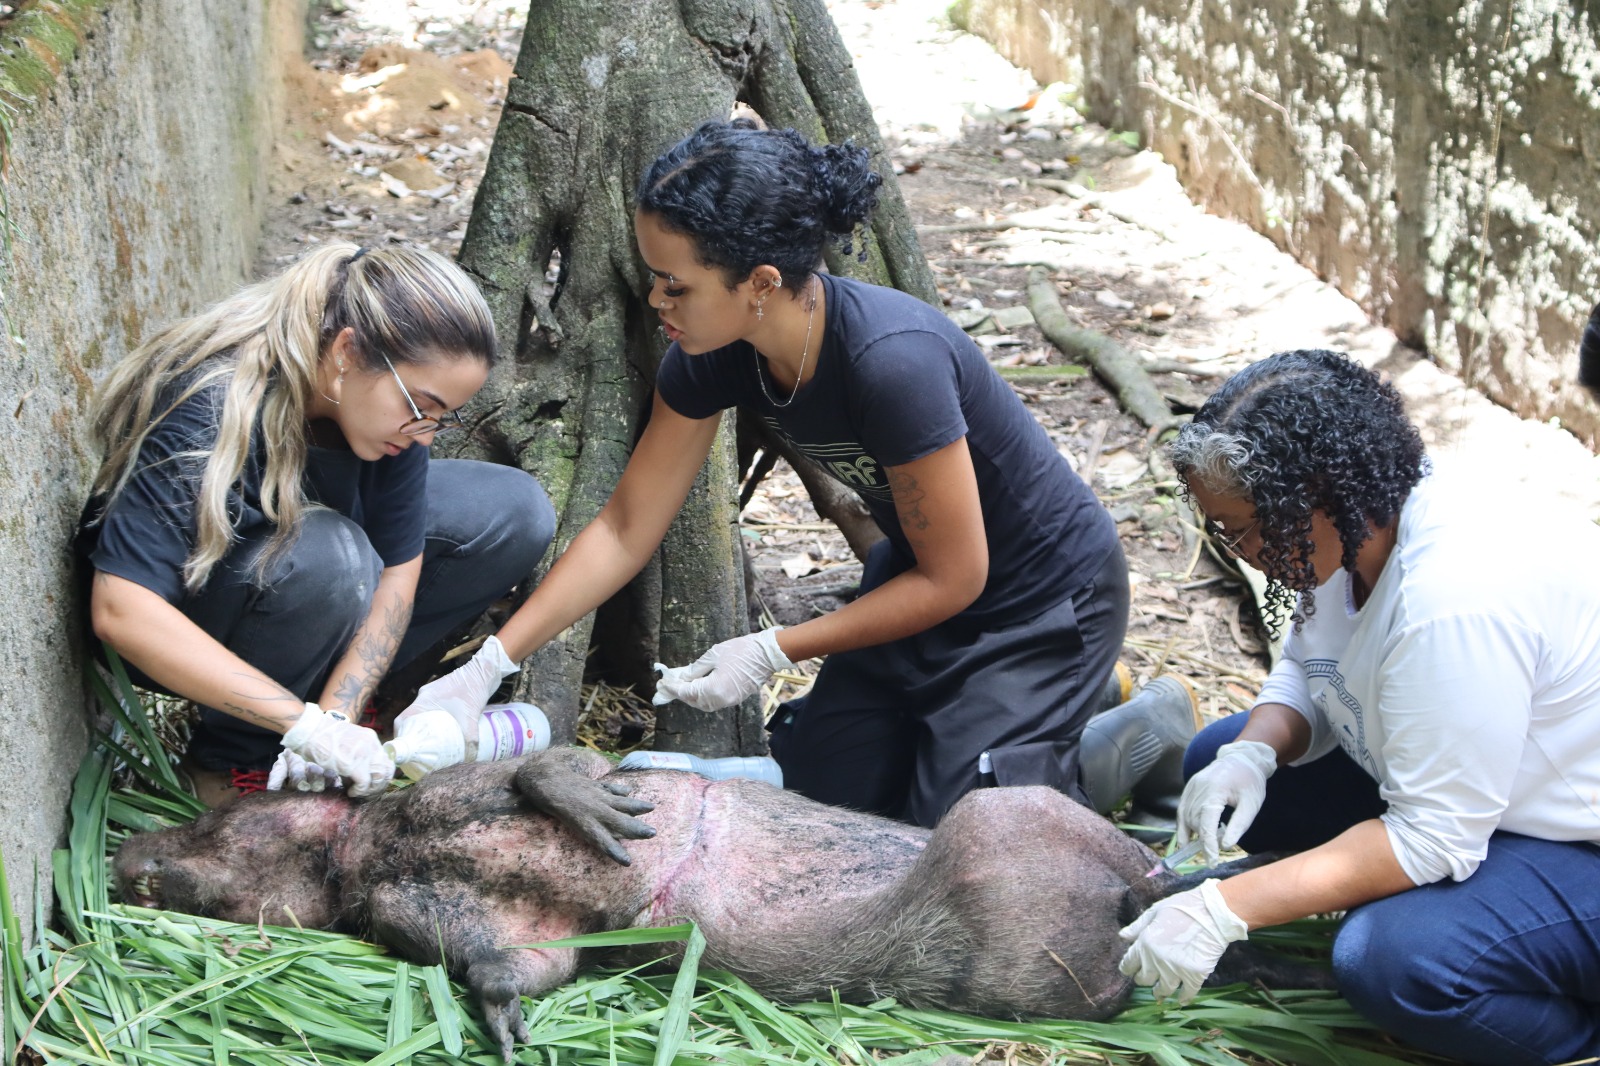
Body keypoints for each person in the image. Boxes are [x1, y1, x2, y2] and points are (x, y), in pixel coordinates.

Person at [401, 118, 1198, 829]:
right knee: (822, 807)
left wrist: (774, 649)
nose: (655, 300)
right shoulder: (711, 354)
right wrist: (487, 666)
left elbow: (959, 576)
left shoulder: (893, 364)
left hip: (1040, 601)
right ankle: (1050, 722)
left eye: (676, 284)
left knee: (953, 841)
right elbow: (624, 527)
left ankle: (1118, 732)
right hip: (916, 580)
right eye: (653, 275)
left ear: (760, 284)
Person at [1117, 349, 1600, 1066]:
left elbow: (1434, 837)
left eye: (1244, 529)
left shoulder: (1451, 600)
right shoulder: (1358, 523)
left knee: (1393, 960)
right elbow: (1310, 667)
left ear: (1316, 490)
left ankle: (1574, 1037)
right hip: (1490, 797)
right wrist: (1251, 754)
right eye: (1223, 533)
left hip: (1575, 842)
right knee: (1214, 755)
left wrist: (1225, 907)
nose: (1242, 552)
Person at [79, 242, 555, 805]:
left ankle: (348, 714)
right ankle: (232, 762)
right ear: (347, 351)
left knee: (515, 510)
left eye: (440, 417)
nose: (425, 435)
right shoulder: (211, 405)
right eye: (419, 407)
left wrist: (337, 717)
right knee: (335, 556)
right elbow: (121, 611)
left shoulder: (388, 423)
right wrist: (303, 727)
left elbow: (398, 574)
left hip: (313, 577)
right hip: (182, 621)